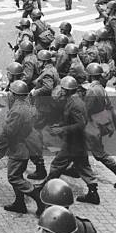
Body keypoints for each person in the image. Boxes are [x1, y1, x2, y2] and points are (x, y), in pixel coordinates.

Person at [43, 76, 100, 204]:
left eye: (63, 89)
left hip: (73, 142)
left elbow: (80, 124)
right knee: (83, 166)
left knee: (57, 165)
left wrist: (62, 130)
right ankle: (93, 193)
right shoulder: (73, 100)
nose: (61, 90)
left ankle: (46, 189)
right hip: (79, 141)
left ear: (68, 90)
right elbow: (72, 119)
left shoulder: (75, 103)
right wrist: (60, 125)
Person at [1, 80, 45, 215]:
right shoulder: (29, 106)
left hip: (18, 148)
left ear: (14, 94)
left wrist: (3, 118)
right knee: (18, 175)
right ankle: (19, 203)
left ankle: (37, 196)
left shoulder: (17, 110)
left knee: (14, 177)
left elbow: (9, 131)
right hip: (27, 146)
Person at [83, 63, 116, 189]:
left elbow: (86, 110)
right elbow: (109, 106)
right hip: (98, 123)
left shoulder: (92, 90)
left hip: (92, 126)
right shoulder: (101, 88)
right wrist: (115, 121)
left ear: (90, 75)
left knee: (99, 154)